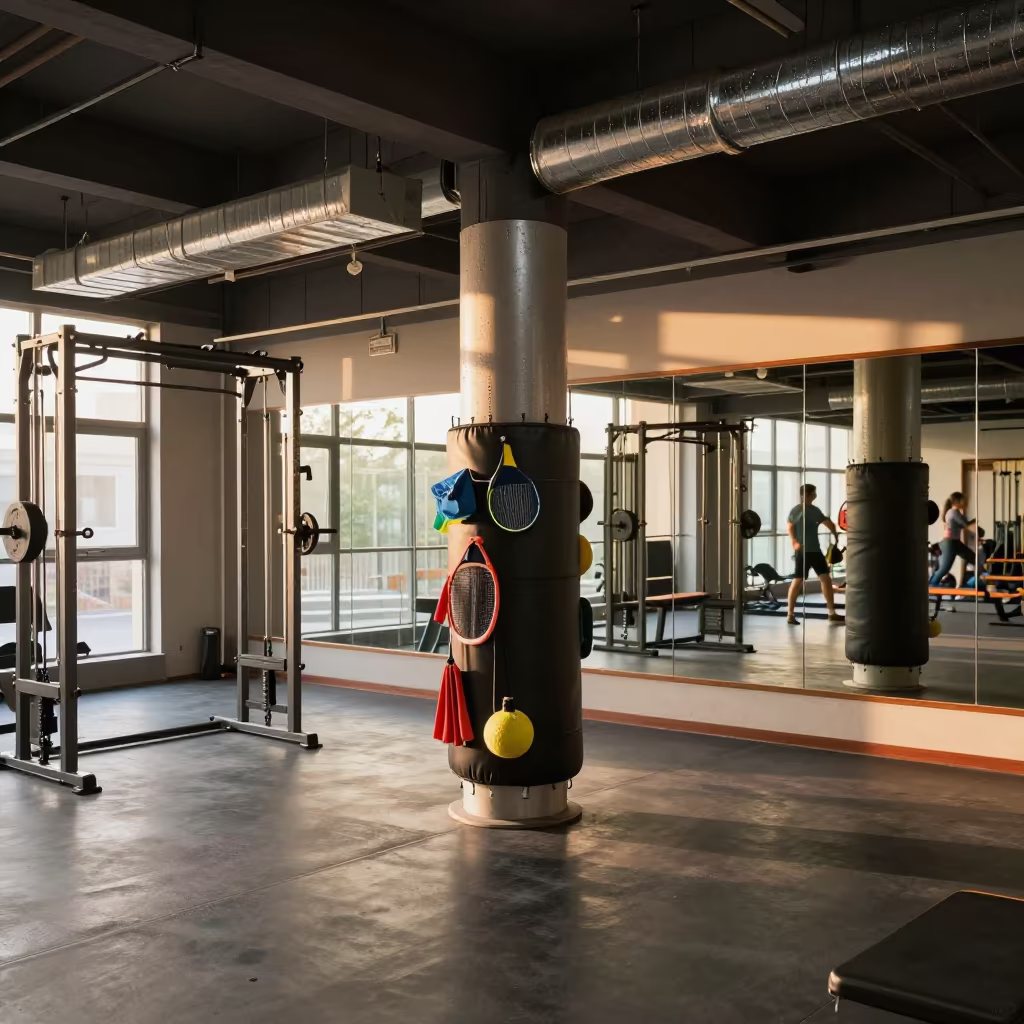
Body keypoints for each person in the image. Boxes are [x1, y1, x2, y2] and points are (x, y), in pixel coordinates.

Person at [786, 483, 842, 625]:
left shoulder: (814, 510)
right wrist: (794, 542)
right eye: (814, 493)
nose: (815, 496)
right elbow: (790, 526)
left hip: (815, 550)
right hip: (803, 551)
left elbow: (829, 523)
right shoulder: (797, 510)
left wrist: (835, 535)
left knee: (825, 579)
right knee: (798, 581)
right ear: (808, 494)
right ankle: (790, 614)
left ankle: (832, 613)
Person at [929, 492, 976, 588]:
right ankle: (931, 586)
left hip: (955, 542)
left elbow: (965, 524)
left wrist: (974, 522)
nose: (966, 502)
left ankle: (971, 583)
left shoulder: (956, 512)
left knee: (975, 559)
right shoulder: (953, 512)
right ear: (957, 501)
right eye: (963, 500)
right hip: (950, 543)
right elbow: (965, 524)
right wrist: (974, 523)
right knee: (944, 569)